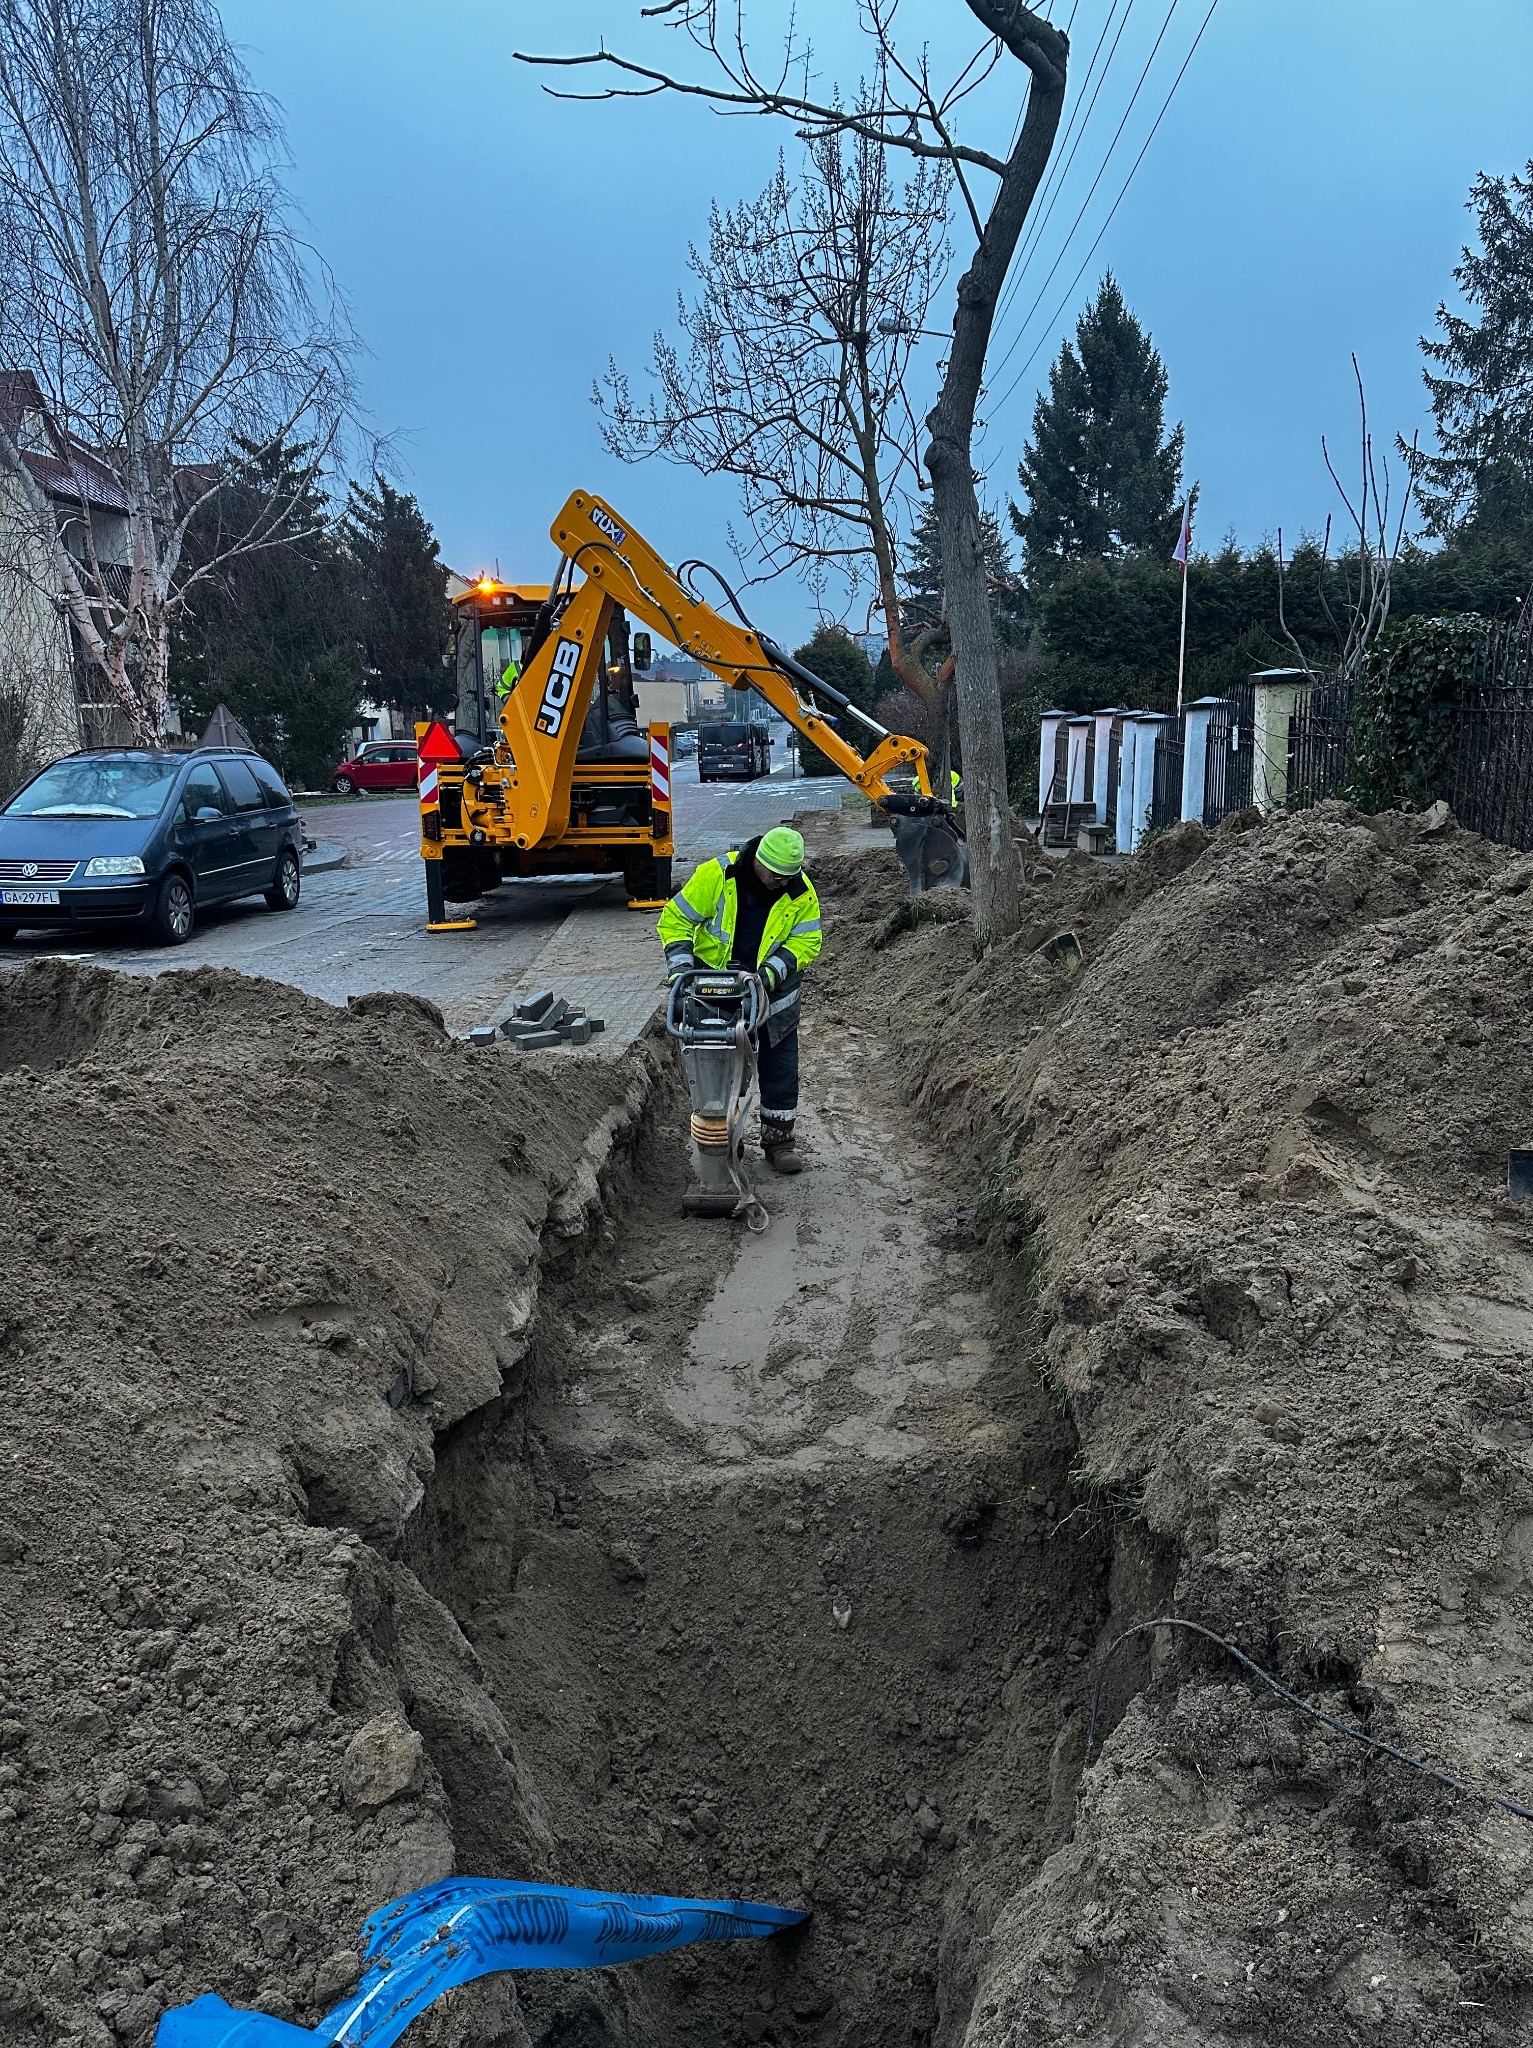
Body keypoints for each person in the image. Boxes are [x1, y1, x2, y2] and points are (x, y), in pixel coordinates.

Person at [657, 826, 821, 1174]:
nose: (781, 883)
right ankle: (727, 1139)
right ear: (759, 861)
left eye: (788, 877)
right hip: (715, 992)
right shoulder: (717, 875)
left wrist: (769, 975)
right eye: (775, 875)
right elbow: (675, 920)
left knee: (780, 1068)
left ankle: (779, 1142)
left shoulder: (800, 890)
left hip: (773, 996)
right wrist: (682, 971)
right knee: (718, 1069)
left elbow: (807, 941)